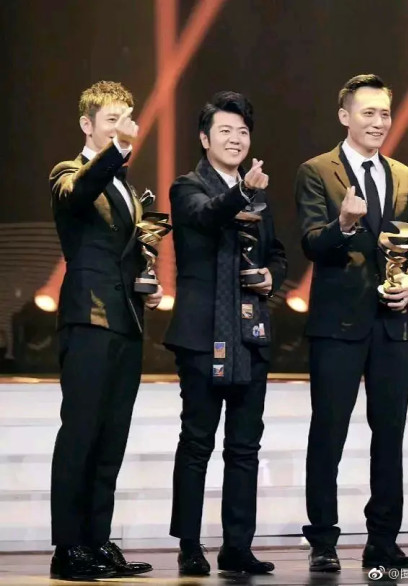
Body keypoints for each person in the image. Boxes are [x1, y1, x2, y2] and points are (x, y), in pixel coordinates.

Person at [295, 74, 408, 572]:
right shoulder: (316, 171)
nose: (378, 122)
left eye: (385, 113)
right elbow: (312, 242)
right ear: (344, 116)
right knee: (328, 432)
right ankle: (323, 541)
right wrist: (344, 224)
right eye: (368, 112)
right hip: (338, 324)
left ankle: (383, 541)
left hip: (392, 324)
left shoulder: (403, 175)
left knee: (389, 434)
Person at [164, 91, 287, 575]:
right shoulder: (186, 186)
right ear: (204, 138)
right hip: (201, 335)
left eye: (242, 132)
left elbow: (276, 252)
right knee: (197, 442)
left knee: (244, 446)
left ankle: (237, 546)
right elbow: (206, 214)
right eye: (225, 131)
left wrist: (272, 276)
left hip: (250, 332)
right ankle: (189, 544)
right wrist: (241, 193)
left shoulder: (259, 194)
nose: (235, 139)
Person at [49, 80, 161, 580]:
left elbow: (127, 251)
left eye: (125, 119)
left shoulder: (127, 187)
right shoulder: (68, 172)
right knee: (81, 434)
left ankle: (97, 540)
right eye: (111, 120)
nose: (122, 128)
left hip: (126, 320)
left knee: (112, 437)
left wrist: (148, 281)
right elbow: (78, 196)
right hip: (88, 318)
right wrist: (116, 150)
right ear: (86, 124)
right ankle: (68, 547)